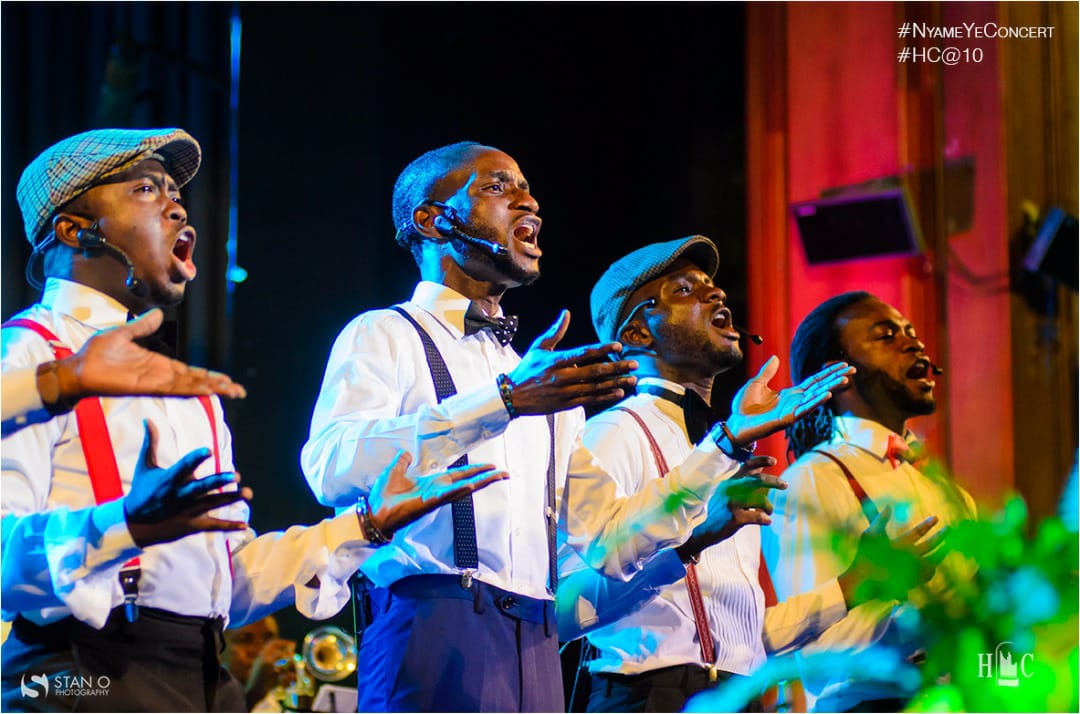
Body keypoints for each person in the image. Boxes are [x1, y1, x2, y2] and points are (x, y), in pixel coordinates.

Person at [301, 142, 852, 713]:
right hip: (430, 616)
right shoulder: (385, 334)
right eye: (497, 187)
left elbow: (610, 544)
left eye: (525, 185)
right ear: (434, 221)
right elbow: (331, 467)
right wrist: (503, 403)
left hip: (535, 640)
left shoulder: (546, 386)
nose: (528, 200)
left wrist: (726, 442)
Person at [1, 128, 507, 713]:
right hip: (80, 674)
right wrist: (126, 525)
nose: (176, 206)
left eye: (176, 194)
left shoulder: (190, 393)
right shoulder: (31, 360)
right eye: (146, 189)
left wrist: (365, 526)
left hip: (200, 673)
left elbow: (230, 581)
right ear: (74, 229)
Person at [556, 238, 939, 713]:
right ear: (638, 332)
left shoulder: (724, 450)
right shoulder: (613, 432)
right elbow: (564, 609)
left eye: (713, 287)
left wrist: (852, 586)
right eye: (684, 290)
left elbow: (744, 636)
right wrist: (692, 539)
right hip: (647, 695)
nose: (716, 296)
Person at [764, 291, 976, 712]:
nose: (913, 343)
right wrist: (911, 613)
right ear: (838, 374)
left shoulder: (949, 491)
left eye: (911, 333)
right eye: (886, 336)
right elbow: (818, 663)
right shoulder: (811, 480)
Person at [3, 307, 245, 437]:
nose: (179, 212)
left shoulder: (200, 395)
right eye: (146, 209)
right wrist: (127, 523)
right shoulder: (28, 347)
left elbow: (227, 528)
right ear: (72, 230)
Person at [222, 615, 296, 712]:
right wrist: (258, 688)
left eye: (268, 639)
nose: (259, 650)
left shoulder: (276, 702)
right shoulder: (203, 696)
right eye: (245, 639)